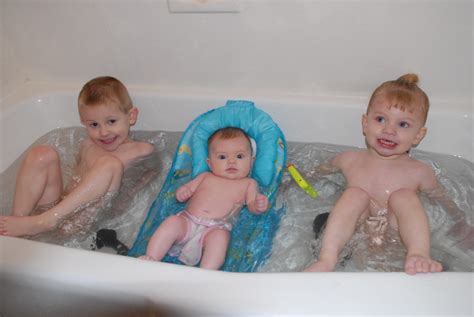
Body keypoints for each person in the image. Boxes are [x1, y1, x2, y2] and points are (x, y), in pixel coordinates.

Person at [305, 73, 446, 275]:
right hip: (353, 239)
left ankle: (419, 254)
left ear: (418, 135)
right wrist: (287, 180)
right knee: (355, 194)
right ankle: (327, 259)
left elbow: (443, 201)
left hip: (398, 242)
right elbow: (314, 173)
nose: (389, 130)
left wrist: (462, 225)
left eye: (403, 124)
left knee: (404, 196)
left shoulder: (420, 172)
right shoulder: (349, 160)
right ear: (365, 123)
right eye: (381, 119)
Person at [0, 76, 154, 237]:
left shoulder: (142, 150)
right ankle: (18, 223)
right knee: (42, 154)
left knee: (110, 164)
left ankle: (44, 221)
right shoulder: (87, 145)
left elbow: (149, 177)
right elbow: (76, 177)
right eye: (94, 124)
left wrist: (122, 205)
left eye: (111, 121)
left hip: (78, 222)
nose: (103, 132)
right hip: (57, 208)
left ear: (131, 117)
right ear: (84, 122)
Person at [140, 127, 269, 270]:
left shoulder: (248, 184)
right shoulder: (205, 177)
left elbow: (251, 204)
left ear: (251, 161)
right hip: (188, 221)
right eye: (222, 157)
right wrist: (183, 192)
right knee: (172, 222)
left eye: (239, 156)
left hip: (216, 227)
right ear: (210, 163)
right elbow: (187, 189)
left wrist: (258, 205)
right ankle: (151, 257)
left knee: (220, 238)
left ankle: (207, 272)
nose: (231, 162)